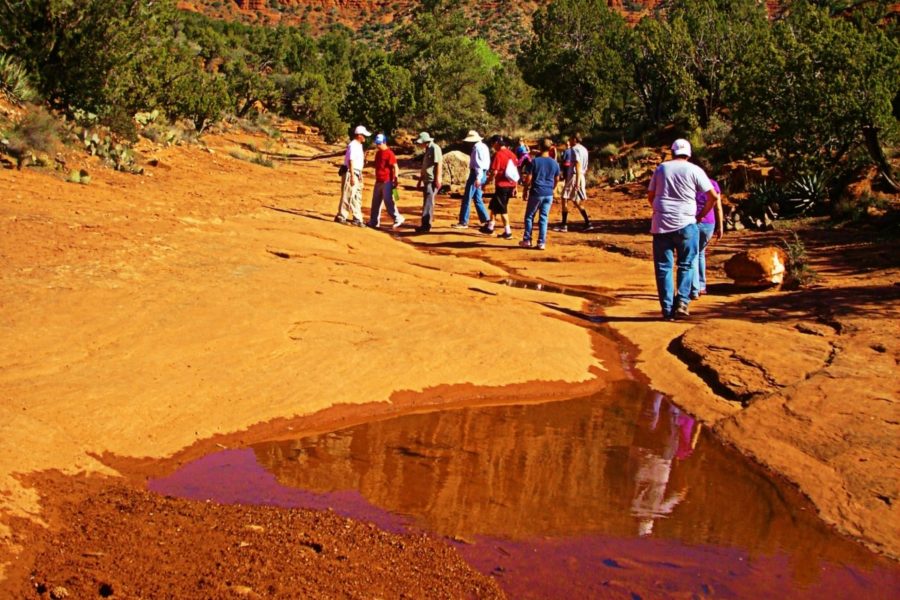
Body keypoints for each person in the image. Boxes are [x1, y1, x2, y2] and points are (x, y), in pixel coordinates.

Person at [647, 139, 721, 320]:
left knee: (663, 268)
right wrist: (700, 216)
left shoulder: (661, 168)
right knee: (686, 264)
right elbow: (712, 196)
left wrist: (659, 210)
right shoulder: (695, 170)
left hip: (661, 225)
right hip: (687, 224)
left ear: (672, 152)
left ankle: (667, 310)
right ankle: (682, 302)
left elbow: (650, 195)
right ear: (689, 154)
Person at [520, 138, 560, 250]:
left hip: (536, 192)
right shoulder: (554, 163)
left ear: (539, 147)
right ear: (551, 148)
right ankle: (541, 242)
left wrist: (525, 189)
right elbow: (557, 178)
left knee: (529, 216)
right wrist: (552, 188)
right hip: (548, 193)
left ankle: (527, 239)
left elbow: (529, 178)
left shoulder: (534, 161)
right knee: (543, 218)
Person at [691, 176, 723, 298]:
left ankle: (694, 289)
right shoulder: (713, 184)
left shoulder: (691, 183)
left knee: (693, 254)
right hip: (709, 224)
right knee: (700, 253)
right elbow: (718, 207)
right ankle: (702, 285)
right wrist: (720, 227)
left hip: (693, 221)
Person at [452, 130, 491, 229]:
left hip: (476, 174)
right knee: (477, 198)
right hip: (483, 173)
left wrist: (477, 178)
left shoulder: (477, 148)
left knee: (467, 197)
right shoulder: (484, 147)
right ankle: (486, 220)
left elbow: (478, 165)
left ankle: (463, 222)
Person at [482, 135, 518, 240]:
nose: (492, 146)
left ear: (496, 143)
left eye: (493, 144)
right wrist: (515, 186)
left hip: (502, 185)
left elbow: (494, 171)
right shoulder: (512, 154)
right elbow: (515, 172)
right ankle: (490, 227)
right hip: (510, 185)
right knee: (494, 205)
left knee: (502, 209)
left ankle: (508, 232)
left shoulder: (498, 155)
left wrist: (486, 183)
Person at [554, 133, 591, 232]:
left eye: (570, 138)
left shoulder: (575, 149)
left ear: (574, 139)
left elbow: (577, 165)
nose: (569, 140)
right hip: (580, 176)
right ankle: (587, 223)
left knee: (564, 197)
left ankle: (564, 225)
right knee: (575, 200)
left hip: (575, 176)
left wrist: (577, 183)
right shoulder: (584, 149)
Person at [335, 125, 371, 226]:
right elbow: (351, 161)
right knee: (348, 194)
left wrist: (359, 174)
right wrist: (351, 175)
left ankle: (357, 218)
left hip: (356, 172)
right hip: (351, 172)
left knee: (356, 196)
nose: (365, 137)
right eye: (364, 135)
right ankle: (341, 216)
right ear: (359, 135)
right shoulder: (353, 145)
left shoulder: (358, 145)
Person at [368, 133, 404, 229]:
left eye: (379, 143)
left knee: (388, 201)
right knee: (375, 202)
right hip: (378, 181)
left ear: (384, 142)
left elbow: (395, 167)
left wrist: (395, 179)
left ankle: (398, 218)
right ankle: (374, 221)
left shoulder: (389, 153)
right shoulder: (378, 153)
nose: (378, 145)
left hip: (387, 181)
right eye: (377, 143)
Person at [415, 131, 443, 233]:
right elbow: (425, 167)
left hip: (432, 180)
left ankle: (426, 226)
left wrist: (438, 179)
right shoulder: (427, 149)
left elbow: (438, 164)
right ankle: (425, 225)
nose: (419, 145)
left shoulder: (434, 148)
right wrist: (419, 181)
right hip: (427, 180)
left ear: (425, 141)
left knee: (428, 203)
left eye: (420, 142)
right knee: (427, 202)